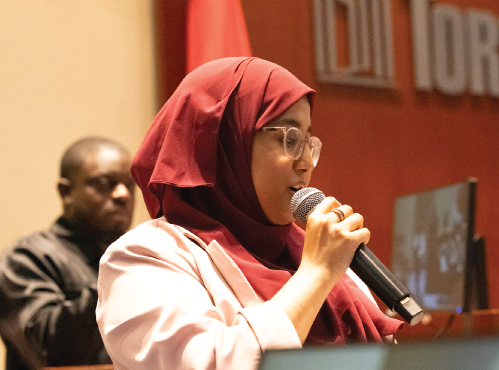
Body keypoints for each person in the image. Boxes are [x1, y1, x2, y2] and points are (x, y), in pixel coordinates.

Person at [96, 57, 403, 370]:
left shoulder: (319, 254)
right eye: (289, 139)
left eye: (308, 143)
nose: (307, 162)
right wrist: (316, 274)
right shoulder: (144, 257)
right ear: (225, 143)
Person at [0, 136, 135, 370]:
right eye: (105, 183)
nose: (123, 194)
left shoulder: (139, 255)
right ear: (66, 192)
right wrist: (117, 277)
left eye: (130, 185)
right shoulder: (26, 259)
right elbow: (46, 351)